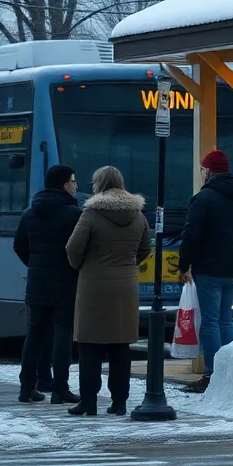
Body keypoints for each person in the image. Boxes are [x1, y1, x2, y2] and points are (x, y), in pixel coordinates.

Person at [64, 166, 152, 416]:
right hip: (126, 286)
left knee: (89, 346)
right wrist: (127, 265)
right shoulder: (138, 215)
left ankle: (89, 402)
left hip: (93, 285)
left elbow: (72, 248)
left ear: (98, 185)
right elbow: (145, 249)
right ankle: (119, 402)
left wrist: (83, 266)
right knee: (120, 346)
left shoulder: (91, 214)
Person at [177, 150, 233, 394]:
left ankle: (212, 374)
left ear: (208, 170)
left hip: (209, 268)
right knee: (226, 320)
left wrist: (184, 264)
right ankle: (231, 372)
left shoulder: (204, 199)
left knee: (210, 321)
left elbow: (191, 234)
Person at [13, 164, 82, 404]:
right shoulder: (74, 215)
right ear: (65, 185)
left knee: (35, 334)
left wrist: (35, 266)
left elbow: (19, 247)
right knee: (63, 333)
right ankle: (60, 389)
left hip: (37, 282)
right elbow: (80, 249)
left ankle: (26, 388)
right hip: (65, 281)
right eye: (74, 182)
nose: (76, 186)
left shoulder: (29, 213)